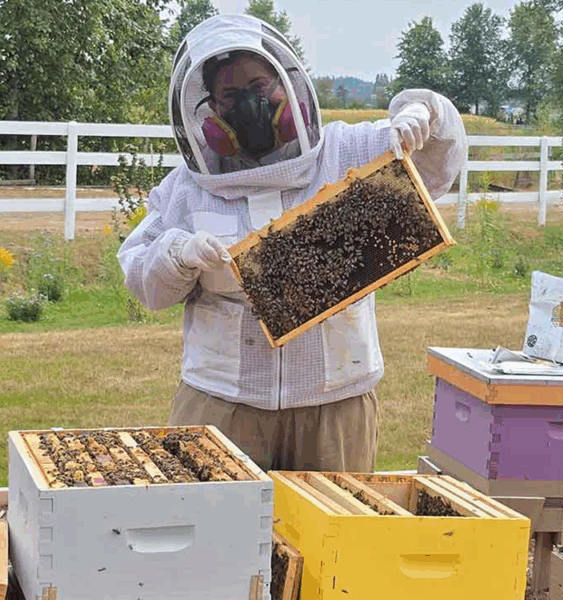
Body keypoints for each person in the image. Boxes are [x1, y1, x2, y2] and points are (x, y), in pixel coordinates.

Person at [117, 14, 467, 473]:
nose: (250, 104)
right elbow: (146, 284)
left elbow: (439, 168)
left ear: (287, 85)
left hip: (335, 405)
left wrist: (428, 113)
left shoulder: (348, 151)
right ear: (209, 112)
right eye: (231, 96)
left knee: (334, 539)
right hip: (222, 401)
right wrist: (177, 254)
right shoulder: (186, 188)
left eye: (259, 88)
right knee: (213, 538)